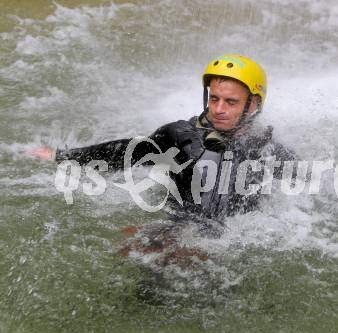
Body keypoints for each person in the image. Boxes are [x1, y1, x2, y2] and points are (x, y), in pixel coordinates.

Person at [29, 54, 297, 264]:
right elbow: (127, 152)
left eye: (230, 102)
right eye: (213, 98)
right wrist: (62, 156)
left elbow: (300, 195)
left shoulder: (271, 152)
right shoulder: (180, 136)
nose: (218, 109)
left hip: (234, 245)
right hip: (176, 236)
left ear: (253, 105)